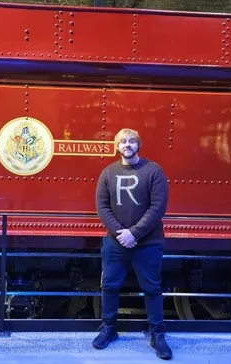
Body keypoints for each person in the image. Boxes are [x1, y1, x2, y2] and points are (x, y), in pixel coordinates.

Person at [92, 127, 172, 360]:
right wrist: (121, 234)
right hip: (115, 243)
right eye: (122, 142)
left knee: (152, 288)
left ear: (139, 144)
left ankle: (157, 334)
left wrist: (134, 234)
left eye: (131, 141)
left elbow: (157, 207)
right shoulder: (108, 173)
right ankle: (109, 329)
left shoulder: (154, 171)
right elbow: (102, 207)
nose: (127, 145)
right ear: (117, 146)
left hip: (148, 243)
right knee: (109, 286)